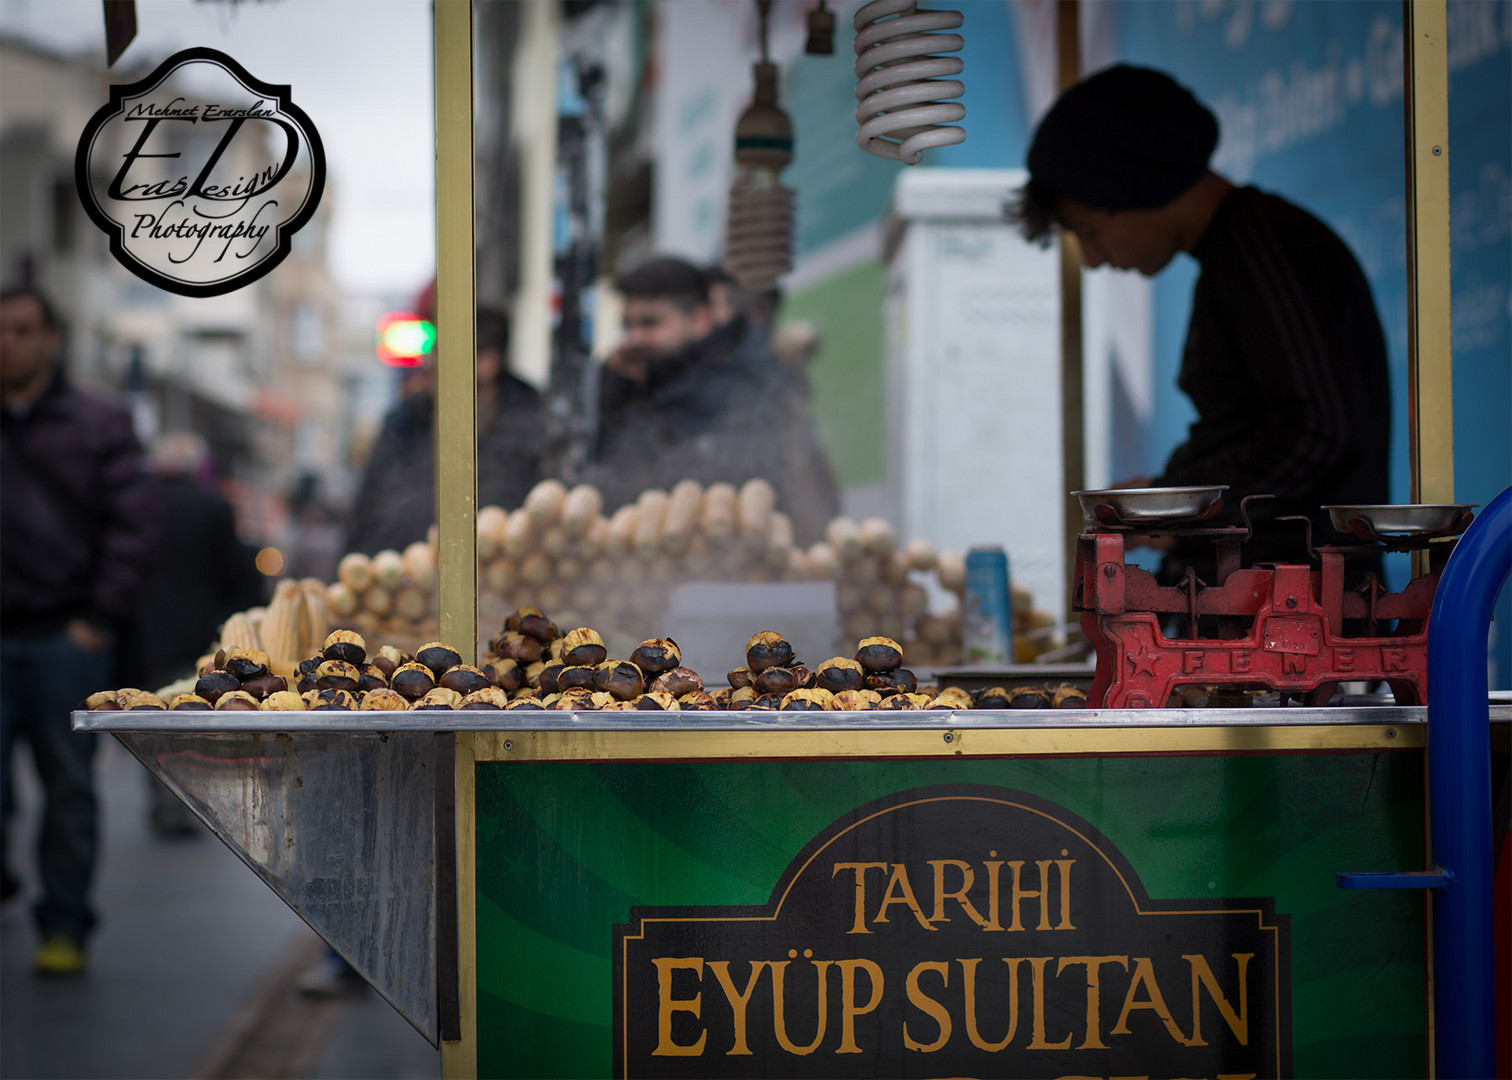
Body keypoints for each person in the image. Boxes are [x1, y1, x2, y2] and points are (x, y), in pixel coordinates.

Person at [1008, 64, 1390, 586]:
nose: (1094, 259)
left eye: (1090, 232)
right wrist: (1172, 491)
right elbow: (1259, 428)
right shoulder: (1240, 249)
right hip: (1261, 602)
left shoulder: (1262, 247)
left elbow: (1319, 429)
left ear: (1135, 186)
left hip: (1293, 612)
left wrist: (1191, 514)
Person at [0, 284, 159, 975]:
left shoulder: (98, 420)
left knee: (67, 788)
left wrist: (95, 622)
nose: (9, 342)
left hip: (67, 639)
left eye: (23, 330)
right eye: (0, 330)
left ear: (50, 339)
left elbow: (134, 526)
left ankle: (63, 925)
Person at [585, 257, 840, 544]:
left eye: (650, 323)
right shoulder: (646, 382)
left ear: (700, 319)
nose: (634, 339)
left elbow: (661, 484)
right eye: (628, 325)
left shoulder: (736, 388)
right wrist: (613, 385)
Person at [134, 431, 260, 837]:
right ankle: (185, 800)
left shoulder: (140, 506)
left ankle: (159, 798)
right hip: (198, 632)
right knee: (190, 717)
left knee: (150, 715)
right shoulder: (214, 506)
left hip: (147, 631)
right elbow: (239, 573)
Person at [344, 305, 542, 555]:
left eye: (443, 353)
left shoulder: (532, 417)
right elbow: (369, 509)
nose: (430, 362)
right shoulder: (406, 422)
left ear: (487, 364)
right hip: (412, 575)